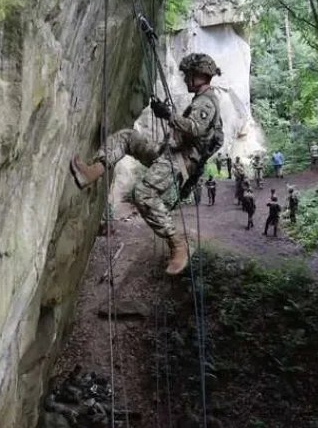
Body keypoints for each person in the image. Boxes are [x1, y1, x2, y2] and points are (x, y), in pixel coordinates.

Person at [69, 53, 224, 275]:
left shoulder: (207, 101)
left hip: (179, 162)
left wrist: (168, 114)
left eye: (188, 74)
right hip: (169, 154)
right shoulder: (201, 99)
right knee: (127, 137)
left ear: (200, 74)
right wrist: (167, 114)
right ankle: (93, 171)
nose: (185, 78)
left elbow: (194, 128)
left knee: (144, 193)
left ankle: (178, 245)